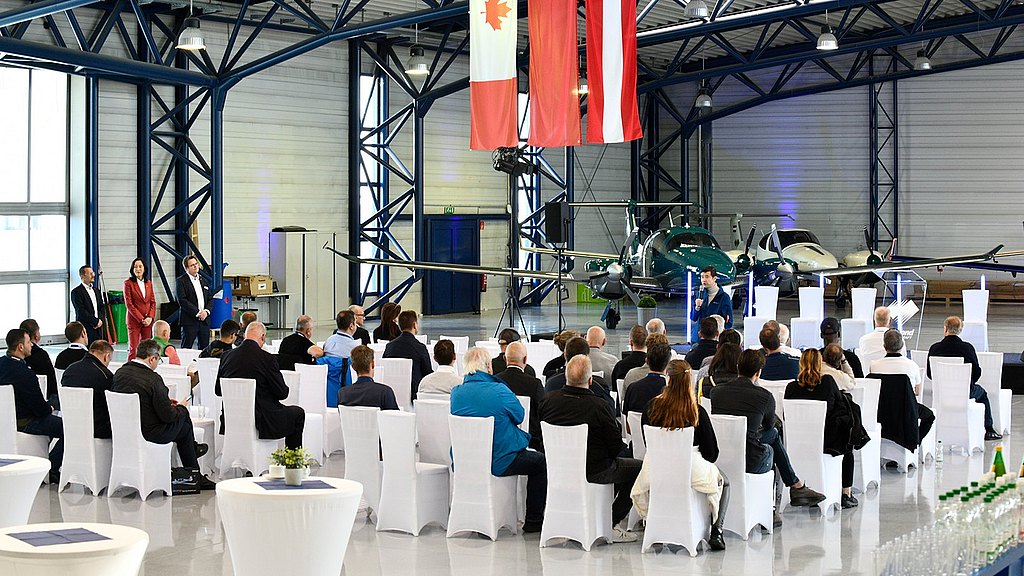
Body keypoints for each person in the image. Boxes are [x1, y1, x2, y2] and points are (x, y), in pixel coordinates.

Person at [708, 349, 826, 524]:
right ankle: (782, 497)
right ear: (758, 372)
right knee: (771, 441)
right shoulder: (764, 397)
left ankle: (793, 487)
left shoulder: (716, 392)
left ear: (738, 367)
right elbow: (770, 425)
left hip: (721, 455)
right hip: (750, 459)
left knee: (770, 437)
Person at [540, 355, 640, 543]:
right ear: (591, 380)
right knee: (638, 468)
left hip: (557, 469)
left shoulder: (548, 401)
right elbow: (615, 446)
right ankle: (610, 522)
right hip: (594, 471)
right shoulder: (598, 406)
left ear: (566, 377)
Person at [450, 347, 546, 533]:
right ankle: (534, 520)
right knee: (540, 463)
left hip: (466, 461)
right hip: (500, 459)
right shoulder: (499, 390)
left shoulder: (456, 393)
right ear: (488, 366)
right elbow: (519, 416)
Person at [638, 359, 730, 551]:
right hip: (690, 471)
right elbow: (712, 453)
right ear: (689, 381)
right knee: (726, 481)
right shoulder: (697, 412)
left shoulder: (650, 408)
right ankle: (716, 530)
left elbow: (649, 444)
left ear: (668, 379)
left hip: (656, 469)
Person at [112, 339, 214, 489]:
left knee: (183, 424)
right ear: (152, 358)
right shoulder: (153, 379)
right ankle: (194, 473)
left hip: (124, 431)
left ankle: (194, 458)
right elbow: (168, 417)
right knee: (183, 418)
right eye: (158, 359)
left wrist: (167, 404)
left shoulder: (120, 373)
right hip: (150, 433)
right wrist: (181, 407)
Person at [784, 348, 859, 509]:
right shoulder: (828, 382)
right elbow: (840, 409)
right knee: (848, 446)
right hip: (827, 441)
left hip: (797, 442)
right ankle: (846, 493)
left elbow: (786, 415)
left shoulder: (791, 387)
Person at [217, 322, 305, 448]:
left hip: (232, 419)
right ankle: (292, 461)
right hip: (262, 421)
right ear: (263, 337)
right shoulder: (267, 359)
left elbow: (218, 390)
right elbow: (282, 393)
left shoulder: (226, 356)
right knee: (297, 414)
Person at [0, 329, 63, 481]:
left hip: (6, 419)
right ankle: (52, 468)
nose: (32, 346)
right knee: (69, 427)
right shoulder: (24, 373)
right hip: (25, 421)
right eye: (29, 342)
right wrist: (51, 408)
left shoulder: (2, 364)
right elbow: (40, 410)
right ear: (20, 347)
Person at [926, 316, 1000, 440]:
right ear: (960, 330)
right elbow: (976, 372)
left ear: (945, 329)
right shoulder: (967, 348)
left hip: (942, 392)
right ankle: (989, 429)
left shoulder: (935, 348)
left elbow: (930, 373)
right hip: (964, 391)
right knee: (983, 394)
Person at [868, 329, 935, 442]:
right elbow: (917, 392)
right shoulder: (912, 365)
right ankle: (915, 440)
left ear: (884, 346)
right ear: (902, 345)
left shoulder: (874, 366)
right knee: (929, 416)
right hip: (905, 411)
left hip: (881, 411)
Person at [544, 337, 616, 415]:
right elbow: (611, 412)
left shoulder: (551, 384)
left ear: (565, 354)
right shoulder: (599, 386)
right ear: (587, 356)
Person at [495, 341, 544, 451]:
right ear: (525, 359)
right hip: (530, 441)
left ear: (505, 359)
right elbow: (542, 414)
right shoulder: (535, 384)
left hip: (501, 441)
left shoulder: (495, 382)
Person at [61, 340, 115, 439]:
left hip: (70, 424)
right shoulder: (105, 375)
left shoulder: (69, 370)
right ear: (106, 356)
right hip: (97, 428)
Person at [383, 310, 433, 400]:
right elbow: (428, 373)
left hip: (391, 393)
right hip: (414, 393)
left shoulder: (389, 346)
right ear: (414, 325)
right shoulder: (420, 348)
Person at [338, 345, 400, 410]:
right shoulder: (385, 392)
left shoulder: (342, 394)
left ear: (353, 367)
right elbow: (394, 419)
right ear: (373, 364)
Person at [622, 338, 672, 416]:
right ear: (668, 364)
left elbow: (625, 416)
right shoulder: (672, 392)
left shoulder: (633, 388)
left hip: (635, 427)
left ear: (646, 360)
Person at [175, 255, 213, 350]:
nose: (196, 267)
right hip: (190, 321)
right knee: (186, 348)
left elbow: (210, 299)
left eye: (196, 264)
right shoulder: (181, 281)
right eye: (192, 265)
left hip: (204, 320)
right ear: (186, 268)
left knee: (205, 349)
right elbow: (182, 300)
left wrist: (206, 311)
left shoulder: (203, 280)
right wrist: (197, 313)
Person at [123, 257, 156, 361]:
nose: (138, 269)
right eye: (135, 267)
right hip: (134, 321)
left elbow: (152, 302)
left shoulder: (149, 283)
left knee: (146, 349)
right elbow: (129, 304)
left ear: (144, 268)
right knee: (134, 348)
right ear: (132, 269)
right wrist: (141, 319)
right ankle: (130, 370)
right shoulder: (128, 283)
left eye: (140, 266)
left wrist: (150, 317)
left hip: (148, 321)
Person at [690, 266, 733, 343]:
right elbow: (693, 317)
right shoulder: (700, 294)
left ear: (714, 278)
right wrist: (697, 307)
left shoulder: (724, 297)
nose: (704, 280)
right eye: (702, 277)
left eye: (707, 277)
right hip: (698, 338)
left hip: (714, 339)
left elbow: (729, 322)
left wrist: (720, 335)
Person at [20, 319, 57, 406]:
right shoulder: (41, 355)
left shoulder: (18, 356)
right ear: (36, 335)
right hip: (45, 398)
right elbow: (52, 378)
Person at [70, 265, 106, 343]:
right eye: (90, 273)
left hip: (98, 327)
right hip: (86, 327)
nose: (93, 275)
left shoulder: (96, 290)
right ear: (83, 276)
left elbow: (101, 307)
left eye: (93, 273)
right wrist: (94, 321)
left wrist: (100, 320)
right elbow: (81, 310)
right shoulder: (76, 292)